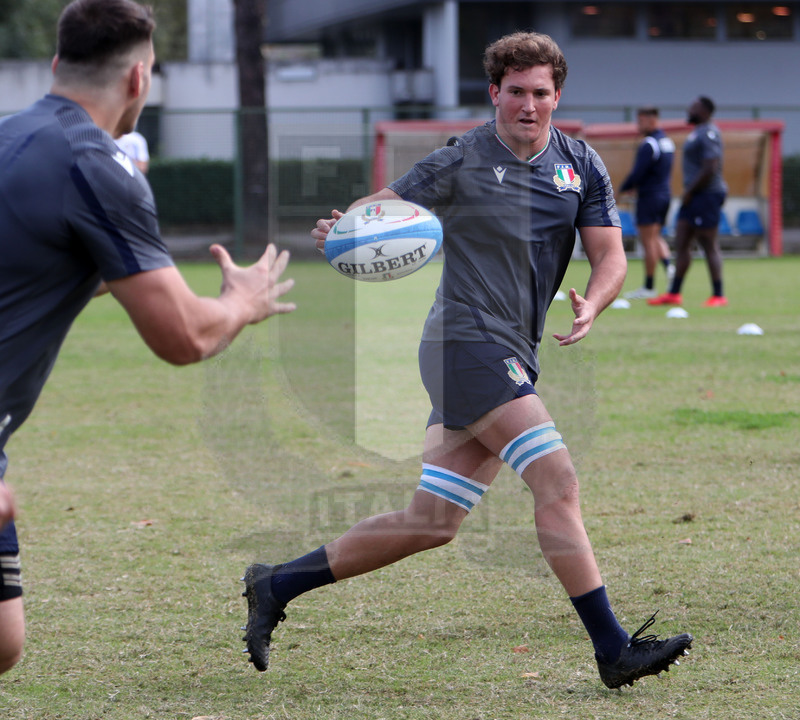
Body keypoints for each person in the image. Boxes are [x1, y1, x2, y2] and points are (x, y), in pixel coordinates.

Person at [241, 32, 692, 689]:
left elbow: (610, 255)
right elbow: (382, 207)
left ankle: (276, 584)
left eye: (541, 93)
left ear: (557, 96)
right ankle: (613, 650)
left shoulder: (581, 165)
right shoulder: (461, 159)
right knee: (557, 480)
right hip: (465, 343)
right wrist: (347, 230)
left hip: (512, 351)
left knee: (432, 522)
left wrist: (594, 301)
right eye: (517, 92)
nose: (529, 105)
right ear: (494, 94)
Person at [0, 0, 296, 675]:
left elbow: (35, 269)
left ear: (57, 65)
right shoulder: (97, 165)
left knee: (3, 639)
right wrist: (243, 302)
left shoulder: (10, 134)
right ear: (139, 79)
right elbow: (184, 338)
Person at [648, 96, 728, 307]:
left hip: (707, 195)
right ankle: (674, 293)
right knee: (682, 241)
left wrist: (690, 191)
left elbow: (710, 167)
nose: (689, 110)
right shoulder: (697, 132)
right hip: (692, 196)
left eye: (694, 107)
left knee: (708, 243)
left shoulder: (709, 133)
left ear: (705, 111)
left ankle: (718, 295)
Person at [619, 107, 675, 299]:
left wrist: (623, 189)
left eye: (641, 121)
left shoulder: (649, 144)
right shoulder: (667, 142)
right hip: (665, 195)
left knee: (648, 240)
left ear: (652, 121)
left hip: (650, 197)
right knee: (655, 236)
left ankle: (649, 286)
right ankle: (669, 267)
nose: (638, 125)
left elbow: (638, 172)